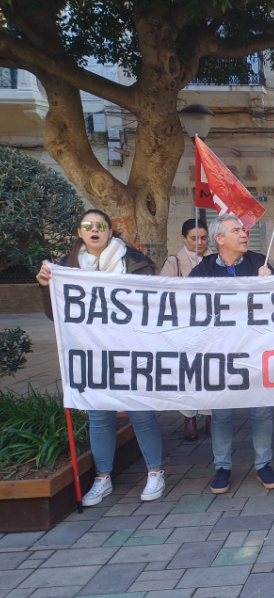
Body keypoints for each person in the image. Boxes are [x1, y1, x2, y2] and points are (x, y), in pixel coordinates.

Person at [36, 210, 165, 506]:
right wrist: (46, 287)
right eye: (87, 226)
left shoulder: (134, 263)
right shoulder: (66, 267)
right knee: (99, 415)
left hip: (131, 350)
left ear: (110, 231)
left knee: (140, 412)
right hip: (91, 353)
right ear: (80, 233)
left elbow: (152, 306)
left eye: (100, 226)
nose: (94, 230)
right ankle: (102, 477)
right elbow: (55, 315)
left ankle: (155, 472)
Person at [189, 214, 274, 493]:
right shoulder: (203, 269)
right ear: (220, 239)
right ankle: (222, 468)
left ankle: (263, 464)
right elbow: (185, 302)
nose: (244, 234)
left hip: (255, 352)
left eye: (244, 230)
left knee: (261, 412)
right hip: (220, 354)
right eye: (236, 230)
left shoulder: (259, 263)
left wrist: (271, 281)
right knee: (222, 414)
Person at [160, 218, 212, 440]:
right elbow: (162, 291)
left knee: (211, 369)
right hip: (183, 325)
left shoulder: (216, 259)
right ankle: (189, 415)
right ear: (183, 238)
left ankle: (210, 413)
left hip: (211, 324)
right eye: (194, 238)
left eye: (203, 238)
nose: (199, 242)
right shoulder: (175, 261)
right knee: (186, 371)